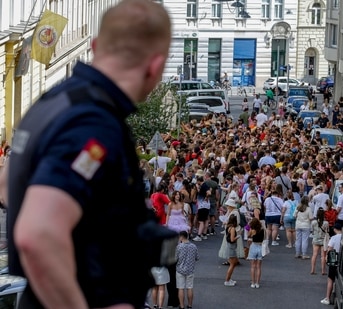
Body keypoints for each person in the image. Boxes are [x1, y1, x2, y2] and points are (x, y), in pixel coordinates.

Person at [0, 1, 173, 307]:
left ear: (95, 46)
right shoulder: (93, 124)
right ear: (155, 66)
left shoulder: (54, 102)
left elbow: (6, 184)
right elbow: (37, 234)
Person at [320, 222, 343, 306]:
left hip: (334, 258)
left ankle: (327, 298)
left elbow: (329, 249)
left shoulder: (333, 238)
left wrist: (326, 259)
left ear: (334, 229)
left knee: (330, 279)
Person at [175, 230, 199, 309]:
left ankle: (181, 306)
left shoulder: (179, 247)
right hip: (190, 270)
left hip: (180, 269)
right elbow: (197, 258)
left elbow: (175, 258)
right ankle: (190, 305)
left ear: (181, 237)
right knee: (190, 287)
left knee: (181, 288)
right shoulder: (194, 246)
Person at [246, 217, 265, 288]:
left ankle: (253, 282)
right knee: (259, 267)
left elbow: (248, 236)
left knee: (252, 266)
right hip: (260, 246)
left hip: (253, 246)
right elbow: (264, 238)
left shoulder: (252, 230)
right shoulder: (262, 230)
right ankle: (257, 283)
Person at [310, 208, 329, 275]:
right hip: (323, 240)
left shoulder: (314, 222)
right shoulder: (326, 223)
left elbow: (312, 231)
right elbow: (327, 231)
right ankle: (323, 271)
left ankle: (312, 269)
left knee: (314, 254)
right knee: (323, 256)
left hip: (316, 239)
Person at [224, 215, 240, 286]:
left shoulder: (228, 227)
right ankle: (227, 280)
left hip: (229, 247)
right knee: (232, 264)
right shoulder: (233, 228)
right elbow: (232, 239)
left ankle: (229, 279)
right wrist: (238, 237)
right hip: (232, 247)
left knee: (233, 264)